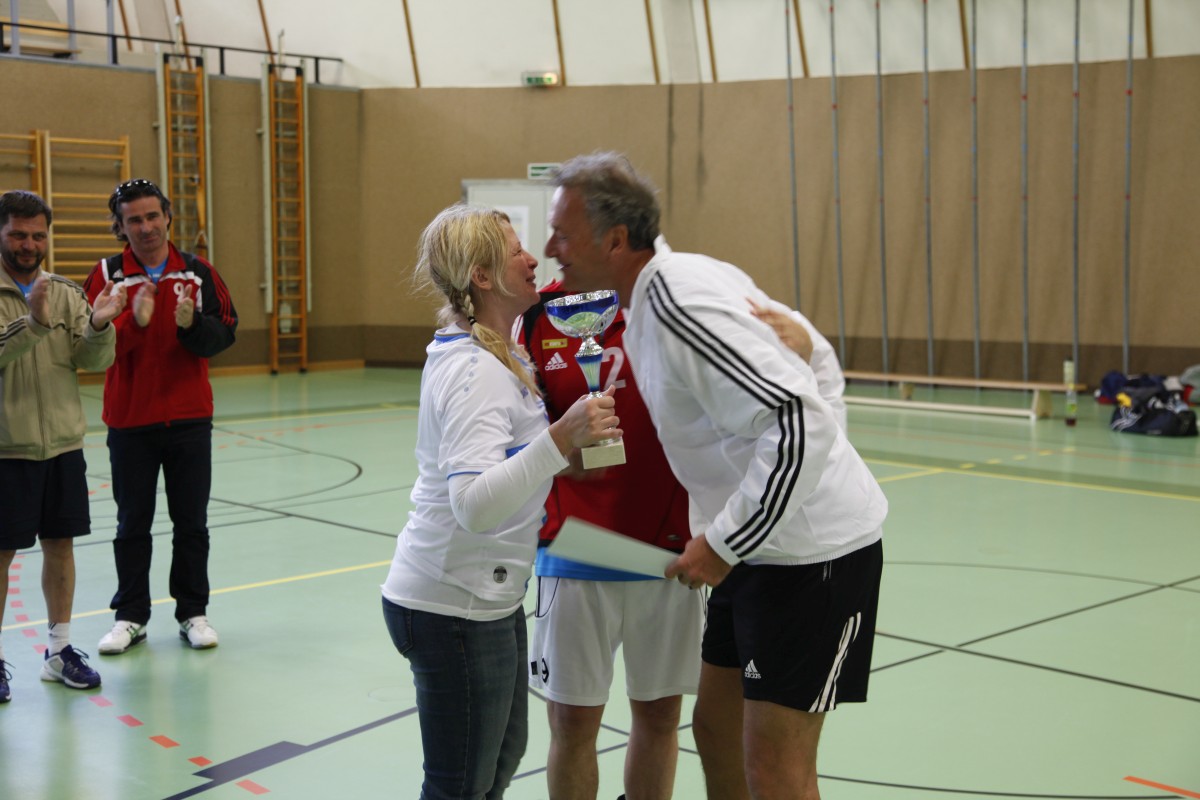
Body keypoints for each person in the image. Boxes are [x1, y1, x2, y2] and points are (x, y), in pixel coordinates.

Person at [544, 153, 887, 800]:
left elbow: (800, 419)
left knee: (775, 766)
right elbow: (808, 352)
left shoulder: (682, 302)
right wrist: (735, 540)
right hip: (756, 550)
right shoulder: (667, 288)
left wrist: (726, 542)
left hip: (809, 558)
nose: (549, 249)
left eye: (562, 233)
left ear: (615, 241)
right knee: (716, 728)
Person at [380, 204, 620, 799]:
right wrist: (560, 438)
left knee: (498, 764)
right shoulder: (476, 371)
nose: (533, 259)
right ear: (482, 276)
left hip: (486, 598)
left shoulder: (498, 351)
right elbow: (473, 505)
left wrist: (576, 449)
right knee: (460, 786)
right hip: (451, 604)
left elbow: (517, 465)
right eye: (516, 252)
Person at [521, 276, 702, 800]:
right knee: (572, 723)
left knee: (661, 716)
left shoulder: (671, 299)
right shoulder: (538, 314)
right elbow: (517, 430)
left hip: (668, 553)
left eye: (566, 235)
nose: (553, 245)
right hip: (574, 548)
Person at [82, 178, 238, 655]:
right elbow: (89, 350)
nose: (146, 227)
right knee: (132, 524)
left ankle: (193, 613)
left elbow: (225, 332)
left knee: (191, 523)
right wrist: (134, 322)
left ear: (168, 217)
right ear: (120, 225)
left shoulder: (198, 272)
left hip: (188, 420)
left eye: (153, 216)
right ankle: (130, 617)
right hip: (130, 422)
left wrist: (192, 327)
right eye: (134, 219)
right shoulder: (106, 276)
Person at [0, 190, 125, 701]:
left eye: (37, 235)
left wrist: (98, 324)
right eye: (18, 234)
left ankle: (59, 651)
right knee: (1, 555)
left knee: (61, 546)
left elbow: (94, 360)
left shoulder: (68, 293)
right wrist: (31, 323)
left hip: (62, 447)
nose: (29, 244)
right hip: (6, 449)